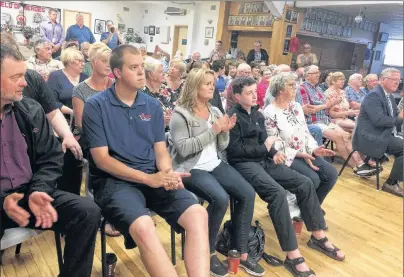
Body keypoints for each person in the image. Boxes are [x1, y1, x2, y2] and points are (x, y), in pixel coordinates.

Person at [82, 45, 209, 277]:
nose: (142, 72)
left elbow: (160, 150)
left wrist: (167, 173)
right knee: (144, 226)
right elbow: (102, 160)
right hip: (114, 182)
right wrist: (149, 179)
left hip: (153, 176)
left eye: (142, 66)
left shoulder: (152, 105)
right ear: (117, 73)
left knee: (198, 214)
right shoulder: (96, 106)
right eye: (133, 68)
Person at [0, 42, 101, 277]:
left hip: (30, 192)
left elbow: (50, 158)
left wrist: (39, 189)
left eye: (24, 75)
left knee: (87, 212)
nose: (24, 83)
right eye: (16, 77)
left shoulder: (30, 110)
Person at [227, 77, 345, 277]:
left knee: (304, 183)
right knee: (277, 193)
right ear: (237, 96)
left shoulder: (256, 114)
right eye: (249, 92)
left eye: (255, 91)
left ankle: (318, 236)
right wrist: (264, 149)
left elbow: (266, 140)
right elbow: (234, 152)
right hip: (245, 164)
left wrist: (273, 153)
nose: (255, 95)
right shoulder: (232, 117)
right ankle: (292, 254)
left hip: (263, 160)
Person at [168, 68, 264, 277]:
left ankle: (241, 251)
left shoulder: (215, 111)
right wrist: (213, 130)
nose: (213, 87)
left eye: (213, 83)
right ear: (194, 87)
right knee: (220, 199)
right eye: (207, 83)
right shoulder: (180, 114)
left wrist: (224, 132)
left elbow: (222, 146)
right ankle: (208, 252)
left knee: (247, 193)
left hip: (215, 163)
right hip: (191, 168)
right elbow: (184, 149)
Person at [1, 31, 83, 163]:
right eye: (15, 77)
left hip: (33, 140)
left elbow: (52, 110)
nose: (23, 82)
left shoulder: (32, 79)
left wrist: (67, 135)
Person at [263, 73, 338, 206]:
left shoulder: (296, 106)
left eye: (295, 84)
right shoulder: (269, 112)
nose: (295, 88)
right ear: (281, 89)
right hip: (287, 155)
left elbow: (305, 131)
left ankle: (310, 208)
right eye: (291, 85)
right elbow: (275, 144)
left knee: (331, 174)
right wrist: (299, 154)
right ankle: (302, 209)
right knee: (312, 179)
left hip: (305, 150)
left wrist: (314, 148)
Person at [296, 65, 377, 177]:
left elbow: (328, 109)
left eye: (318, 72)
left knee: (345, 135)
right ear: (307, 75)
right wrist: (327, 105)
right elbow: (307, 110)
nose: (318, 74)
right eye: (315, 73)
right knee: (339, 137)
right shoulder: (302, 89)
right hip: (313, 122)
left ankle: (360, 164)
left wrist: (332, 106)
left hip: (326, 119)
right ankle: (356, 168)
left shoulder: (319, 89)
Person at [353, 68, 404, 197]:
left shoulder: (388, 96)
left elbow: (396, 117)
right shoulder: (374, 96)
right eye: (394, 80)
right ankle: (391, 183)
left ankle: (397, 176)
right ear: (382, 80)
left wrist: (399, 117)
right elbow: (379, 120)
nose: (397, 83)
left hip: (382, 134)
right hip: (371, 137)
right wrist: (400, 117)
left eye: (399, 80)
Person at [47, 48, 88, 195]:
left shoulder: (85, 77)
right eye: (79, 60)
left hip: (83, 122)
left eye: (83, 60)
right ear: (69, 62)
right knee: (66, 161)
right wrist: (73, 111)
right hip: (61, 120)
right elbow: (50, 101)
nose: (82, 63)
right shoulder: (56, 77)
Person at [143, 57, 176, 130]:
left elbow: (177, 107)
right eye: (160, 72)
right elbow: (138, 117)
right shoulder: (141, 93)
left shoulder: (167, 89)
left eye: (164, 71)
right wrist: (157, 120)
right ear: (151, 75)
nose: (164, 74)